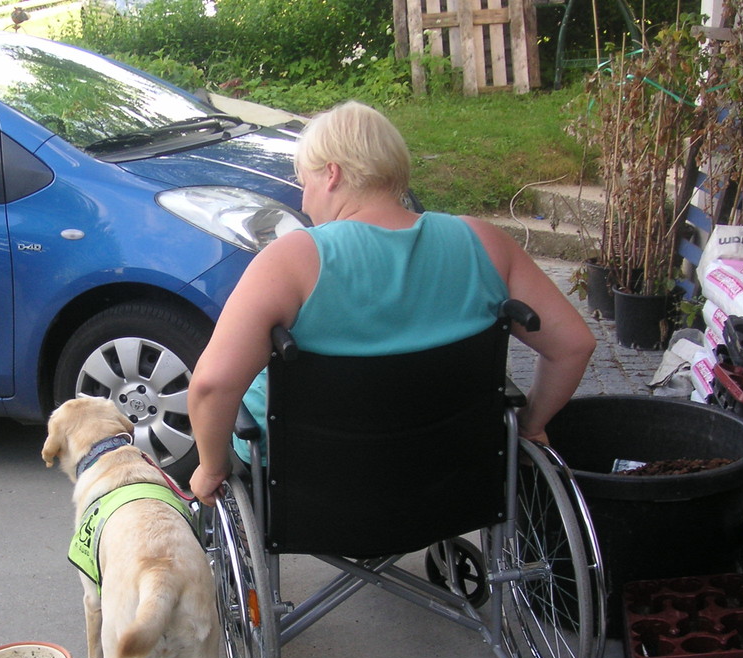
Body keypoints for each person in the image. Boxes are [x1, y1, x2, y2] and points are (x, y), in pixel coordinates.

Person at [188, 100, 596, 506]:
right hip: (453, 472)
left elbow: (211, 385)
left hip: (310, 488)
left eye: (304, 182)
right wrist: (530, 424)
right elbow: (574, 345)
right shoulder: (484, 243)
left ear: (332, 174)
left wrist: (210, 467)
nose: (303, 202)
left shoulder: (290, 262)